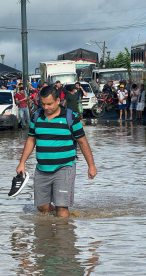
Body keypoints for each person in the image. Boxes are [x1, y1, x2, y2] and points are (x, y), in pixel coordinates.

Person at [16, 86, 97, 218]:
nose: (46, 107)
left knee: (61, 207)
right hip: (42, 169)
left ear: (58, 100)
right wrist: (22, 163)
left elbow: (83, 142)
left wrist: (91, 166)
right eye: (43, 104)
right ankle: (52, 231)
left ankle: (63, 236)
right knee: (42, 207)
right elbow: (31, 140)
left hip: (65, 167)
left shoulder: (71, 117)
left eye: (49, 104)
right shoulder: (36, 116)